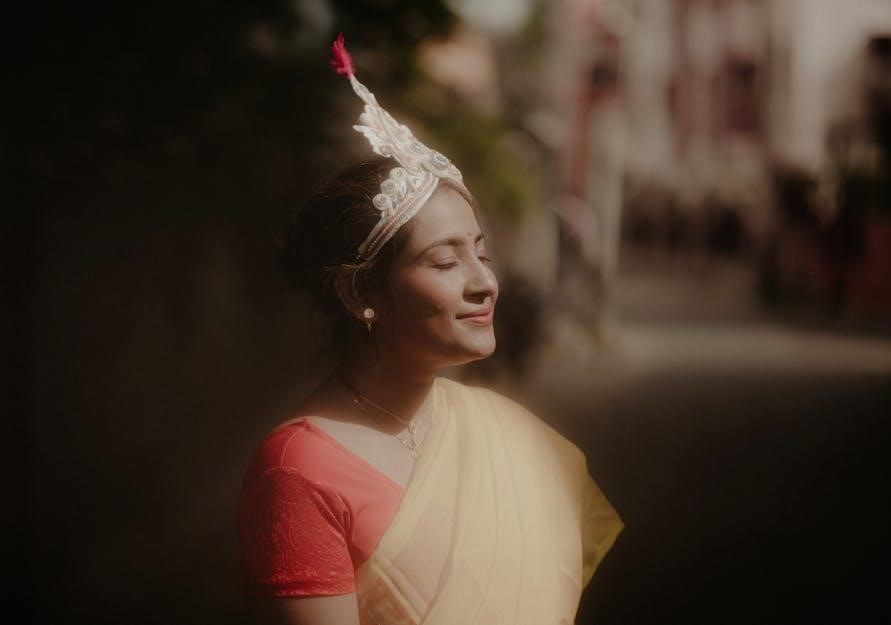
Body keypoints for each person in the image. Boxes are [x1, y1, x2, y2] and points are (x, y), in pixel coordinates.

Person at [236, 34, 624, 625]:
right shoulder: (299, 469)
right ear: (361, 293)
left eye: (482, 254)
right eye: (445, 262)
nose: (484, 282)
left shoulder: (509, 436)